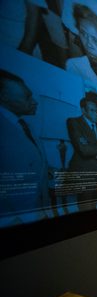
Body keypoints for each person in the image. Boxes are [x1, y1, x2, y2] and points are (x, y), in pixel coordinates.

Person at [0, 69, 51, 227]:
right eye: (27, 97)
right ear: (4, 97)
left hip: (37, 214)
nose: (34, 102)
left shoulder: (25, 126)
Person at [66, 91, 97, 211]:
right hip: (86, 177)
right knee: (86, 210)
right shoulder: (74, 123)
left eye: (96, 110)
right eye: (92, 110)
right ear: (83, 110)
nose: (96, 113)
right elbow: (84, 150)